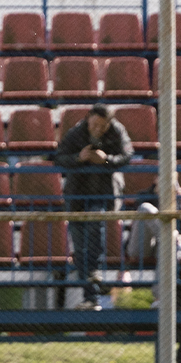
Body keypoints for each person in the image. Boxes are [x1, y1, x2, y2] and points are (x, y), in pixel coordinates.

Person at [55, 102, 132, 310]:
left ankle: (95, 277)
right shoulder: (76, 132)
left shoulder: (117, 131)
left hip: (101, 193)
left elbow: (127, 156)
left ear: (109, 124)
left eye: (103, 126)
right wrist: (78, 158)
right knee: (79, 248)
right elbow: (59, 157)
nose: (98, 129)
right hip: (76, 195)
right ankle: (92, 295)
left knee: (95, 225)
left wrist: (106, 160)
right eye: (95, 124)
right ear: (88, 118)